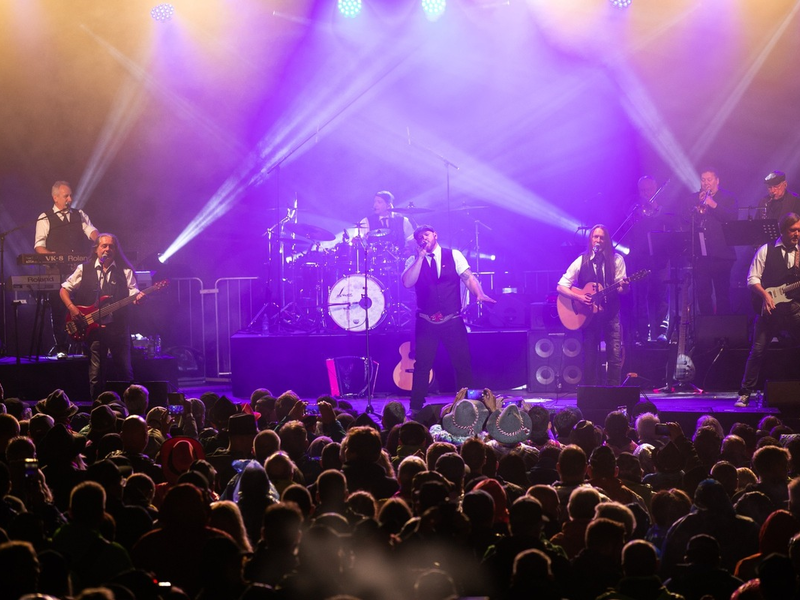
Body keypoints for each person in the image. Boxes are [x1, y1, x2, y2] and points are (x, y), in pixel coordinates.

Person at [401, 225, 494, 415]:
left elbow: (468, 277)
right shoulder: (413, 260)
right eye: (420, 237)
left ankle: (467, 405)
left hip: (452, 319)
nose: (423, 239)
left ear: (435, 235)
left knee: (462, 363)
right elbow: (408, 282)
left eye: (426, 235)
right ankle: (416, 406)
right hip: (426, 321)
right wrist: (420, 257)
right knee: (422, 366)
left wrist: (479, 293)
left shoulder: (454, 255)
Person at [60, 234, 145, 400]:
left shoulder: (125, 271)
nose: (107, 249)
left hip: (118, 329)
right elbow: (64, 289)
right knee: (96, 374)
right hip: (95, 331)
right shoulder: (84, 269)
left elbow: (133, 292)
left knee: (125, 371)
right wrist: (72, 308)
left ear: (116, 250)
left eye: (111, 246)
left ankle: (129, 408)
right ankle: (97, 407)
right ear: (96, 249)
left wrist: (138, 298)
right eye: (104, 246)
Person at [736, 212, 800, 407]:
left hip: (793, 308)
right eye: (793, 230)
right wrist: (765, 295)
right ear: (783, 230)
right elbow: (752, 279)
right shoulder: (766, 249)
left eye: (799, 230)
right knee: (757, 351)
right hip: (770, 311)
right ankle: (745, 393)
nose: (797, 234)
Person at [34, 181, 100, 359]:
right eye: (66, 196)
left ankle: (86, 345)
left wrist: (100, 240)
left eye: (71, 195)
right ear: (55, 198)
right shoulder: (45, 217)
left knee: (85, 306)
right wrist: (51, 256)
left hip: (79, 270)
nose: (70, 199)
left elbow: (91, 231)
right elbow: (39, 245)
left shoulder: (80, 215)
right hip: (56, 272)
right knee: (58, 309)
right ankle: (61, 347)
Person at [557, 224, 628, 386]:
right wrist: (579, 297)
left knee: (614, 355)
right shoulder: (582, 260)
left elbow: (622, 289)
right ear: (590, 240)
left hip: (611, 313)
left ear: (607, 241)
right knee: (589, 356)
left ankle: (614, 392)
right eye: (596, 237)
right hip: (589, 316)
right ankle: (590, 392)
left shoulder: (617, 260)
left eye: (602, 237)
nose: (598, 240)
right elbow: (561, 286)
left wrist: (624, 287)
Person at [685, 167, 738, 315]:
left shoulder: (729, 198)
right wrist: (698, 205)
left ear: (717, 180)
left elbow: (732, 219)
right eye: (703, 180)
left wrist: (713, 204)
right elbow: (687, 221)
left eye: (709, 179)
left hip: (723, 255)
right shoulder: (694, 198)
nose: (706, 183)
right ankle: (706, 326)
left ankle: (723, 327)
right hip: (701, 256)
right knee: (703, 295)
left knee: (723, 295)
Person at [358, 190, 416, 255]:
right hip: (375, 259)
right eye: (375, 202)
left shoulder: (403, 221)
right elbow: (360, 240)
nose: (375, 205)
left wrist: (409, 250)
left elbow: (411, 240)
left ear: (388, 205)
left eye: (379, 202)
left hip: (400, 258)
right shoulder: (366, 221)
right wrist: (367, 248)